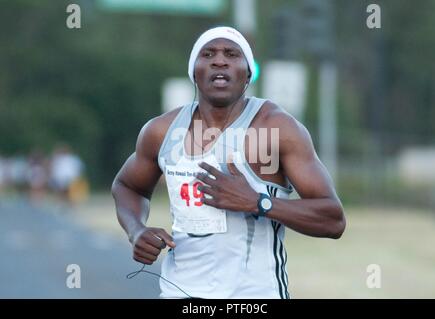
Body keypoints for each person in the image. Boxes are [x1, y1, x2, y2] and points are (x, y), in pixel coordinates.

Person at [112, 26, 345, 299]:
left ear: (247, 75)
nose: (219, 60)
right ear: (194, 72)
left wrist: (259, 203)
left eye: (232, 54)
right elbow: (127, 186)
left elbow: (333, 219)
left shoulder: (277, 128)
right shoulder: (161, 131)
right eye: (208, 54)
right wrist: (136, 230)